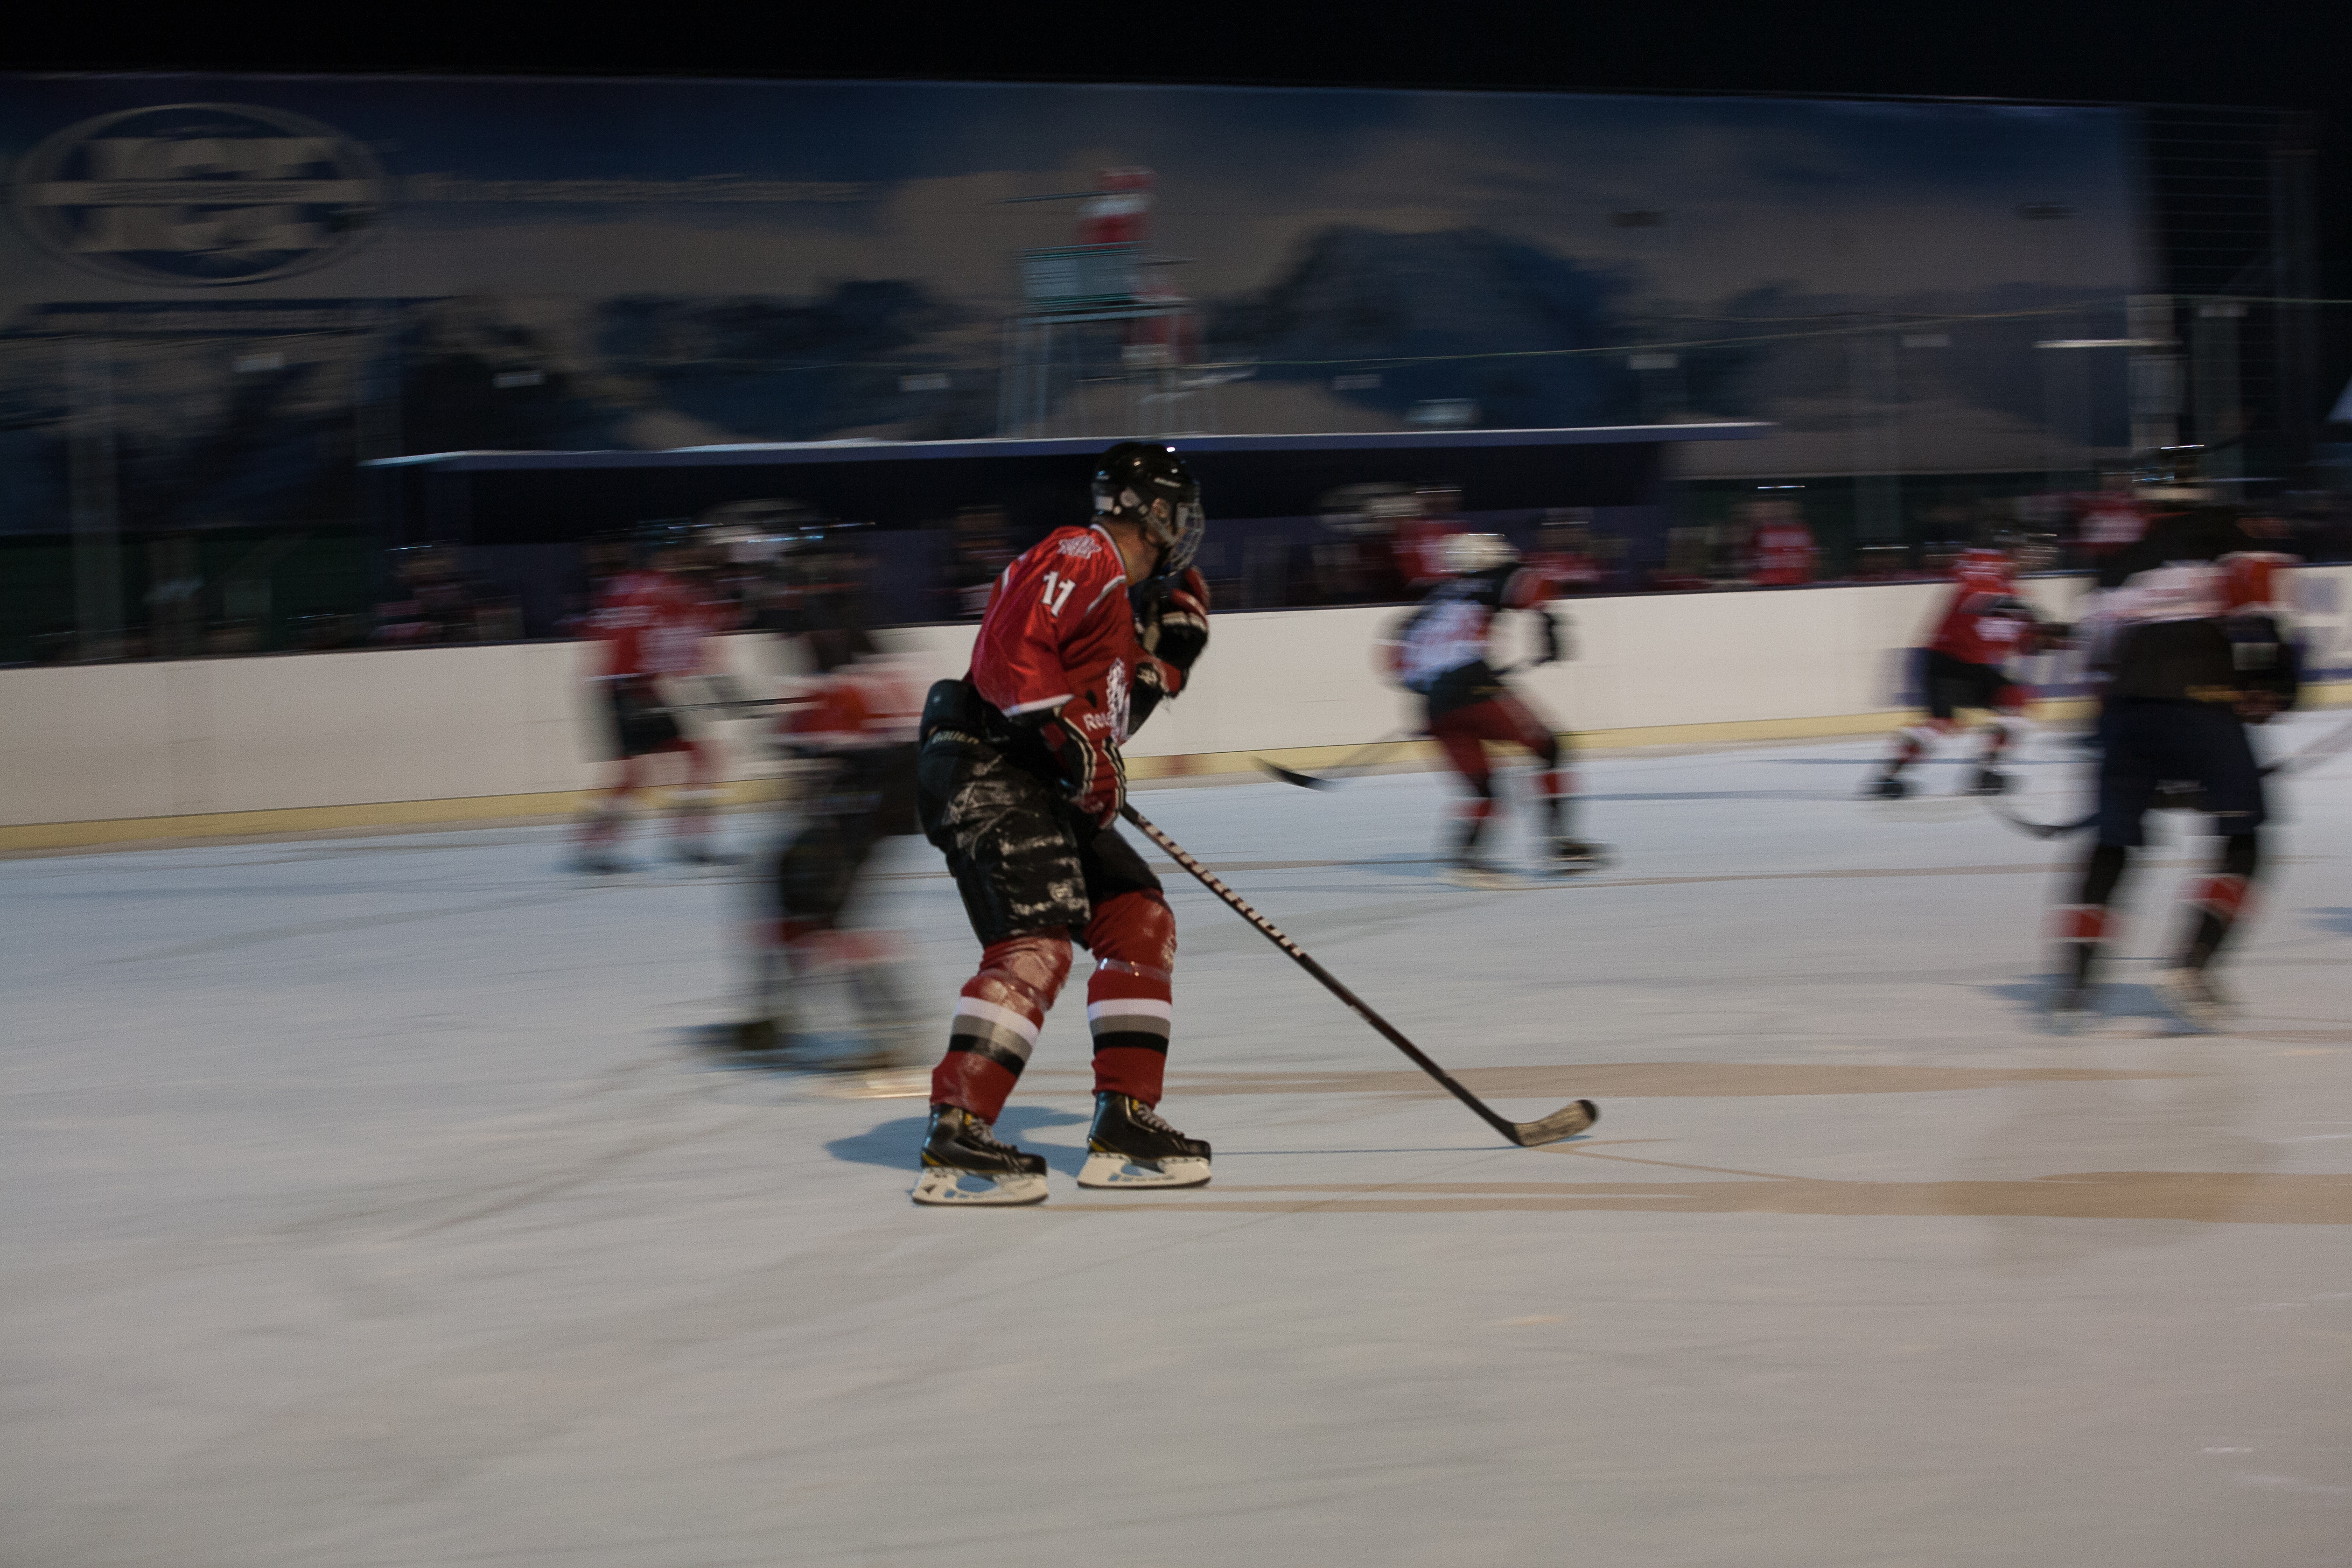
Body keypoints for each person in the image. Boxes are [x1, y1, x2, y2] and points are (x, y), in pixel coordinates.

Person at [908, 441, 1214, 1205]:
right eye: (1181, 512)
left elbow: (1105, 726)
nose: (1188, 528)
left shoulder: (1118, 607)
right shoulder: (1084, 552)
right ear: (1156, 512)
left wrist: (1165, 664)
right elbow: (1011, 655)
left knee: (1138, 918)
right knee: (1036, 943)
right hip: (986, 766)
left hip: (1031, 779)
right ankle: (957, 1134)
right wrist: (1075, 735)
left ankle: (1124, 1122)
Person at [2049, 507, 2300, 1032]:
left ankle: (2076, 978)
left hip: (2126, 715)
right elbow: (2256, 610)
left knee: (2110, 845)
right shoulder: (2223, 531)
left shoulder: (2118, 564)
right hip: (2201, 703)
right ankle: (2194, 963)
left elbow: (2096, 658)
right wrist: (2272, 683)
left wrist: (2123, 744)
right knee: (2245, 840)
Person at [729, 612, 927, 1086]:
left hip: (858, 818)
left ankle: (891, 1031)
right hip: (869, 816)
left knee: (832, 920)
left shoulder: (842, 688)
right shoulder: (878, 677)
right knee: (791, 892)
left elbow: (811, 744)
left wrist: (782, 731)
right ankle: (777, 1014)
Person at [1387, 532, 1605, 888]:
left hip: (1432, 706)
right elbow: (1533, 586)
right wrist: (1550, 625)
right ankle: (1559, 846)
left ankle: (1467, 860)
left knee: (1484, 790)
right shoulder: (1491, 579)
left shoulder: (1432, 602)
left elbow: (1398, 666)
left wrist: (1437, 691)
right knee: (1549, 748)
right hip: (1475, 690)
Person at [573, 521, 737, 872]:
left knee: (691, 760)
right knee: (643, 774)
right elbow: (681, 651)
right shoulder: (666, 592)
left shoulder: (633, 585)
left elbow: (618, 633)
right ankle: (597, 847)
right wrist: (723, 689)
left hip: (631, 688)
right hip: (631, 690)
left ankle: (602, 846)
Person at [1866, 542, 2061, 799]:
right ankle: (1888, 777)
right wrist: (2025, 622)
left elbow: (2021, 641)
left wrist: (2039, 636)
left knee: (2016, 699)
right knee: (1941, 724)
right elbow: (1978, 602)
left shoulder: (2013, 592)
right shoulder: (1989, 578)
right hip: (1945, 663)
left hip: (1971, 665)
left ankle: (1986, 773)